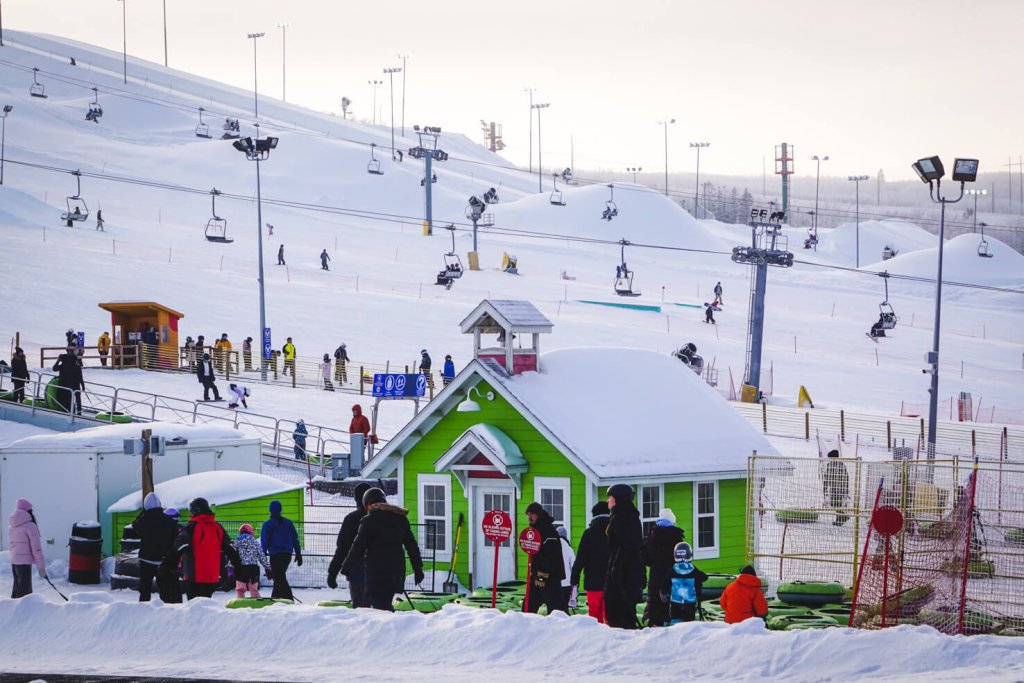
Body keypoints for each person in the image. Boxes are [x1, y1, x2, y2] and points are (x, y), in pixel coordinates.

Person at [340, 487, 424, 611]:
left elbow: (358, 547)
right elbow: (412, 547)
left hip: (376, 572)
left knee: (379, 605)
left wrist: (347, 567)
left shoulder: (369, 521)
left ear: (368, 504)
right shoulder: (400, 519)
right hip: (396, 572)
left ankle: (389, 621)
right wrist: (418, 569)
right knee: (385, 602)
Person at [165, 497, 240, 600]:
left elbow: (179, 546)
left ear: (196, 511)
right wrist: (239, 567)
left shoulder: (192, 527)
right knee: (206, 604)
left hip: (194, 576)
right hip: (212, 576)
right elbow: (230, 549)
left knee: (195, 605)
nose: (190, 514)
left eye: (191, 512)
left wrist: (168, 564)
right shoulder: (217, 527)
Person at [604, 484, 644, 629]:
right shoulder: (629, 517)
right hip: (627, 573)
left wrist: (616, 568)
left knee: (619, 614)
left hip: (623, 574)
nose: (608, 501)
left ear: (618, 499)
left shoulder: (621, 519)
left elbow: (625, 546)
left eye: (610, 498)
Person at [327, 482, 371, 607]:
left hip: (357, 572)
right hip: (381, 573)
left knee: (361, 607)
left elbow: (342, 548)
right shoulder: (386, 518)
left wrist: (333, 572)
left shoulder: (351, 519)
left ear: (356, 499)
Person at [131, 492, 179, 602]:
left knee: (145, 587)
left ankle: (144, 606)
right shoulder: (169, 520)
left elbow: (135, 526)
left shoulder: (143, 520)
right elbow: (174, 539)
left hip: (146, 559)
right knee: (165, 587)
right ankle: (167, 606)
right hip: (164, 560)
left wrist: (143, 512)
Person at [642, 508, 685, 627]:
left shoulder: (651, 537)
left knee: (654, 600)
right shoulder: (676, 537)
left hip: (655, 574)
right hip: (672, 574)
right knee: (670, 601)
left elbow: (645, 558)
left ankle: (654, 623)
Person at [570, 501, 611, 623]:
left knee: (594, 616)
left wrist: (574, 579)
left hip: (593, 582)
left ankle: (596, 634)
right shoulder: (615, 531)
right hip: (612, 582)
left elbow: (580, 559)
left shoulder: (589, 533)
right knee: (610, 616)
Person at [524, 501, 566, 614]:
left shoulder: (548, 531)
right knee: (528, 607)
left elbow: (552, 555)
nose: (529, 517)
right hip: (536, 575)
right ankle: (525, 623)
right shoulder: (535, 531)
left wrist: (542, 574)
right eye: (528, 514)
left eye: (532, 514)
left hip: (550, 577)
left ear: (538, 515)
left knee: (555, 610)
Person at [260, 500, 302, 601]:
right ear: (280, 510)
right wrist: (298, 553)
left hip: (275, 555)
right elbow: (295, 538)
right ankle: (275, 598)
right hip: (287, 555)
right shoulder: (288, 523)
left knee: (279, 578)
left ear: (270, 510)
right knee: (279, 577)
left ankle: (289, 599)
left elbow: (264, 540)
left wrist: (263, 553)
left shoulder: (267, 524)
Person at [8, 498, 46, 598]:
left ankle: (12, 607)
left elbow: (11, 545)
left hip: (14, 562)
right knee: (25, 595)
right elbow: (36, 549)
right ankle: (22, 609)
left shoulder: (12, 526)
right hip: (24, 564)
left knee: (17, 591)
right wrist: (41, 568)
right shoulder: (30, 526)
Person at [663, 542, 708, 624]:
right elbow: (704, 577)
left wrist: (664, 593)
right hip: (690, 603)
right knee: (688, 623)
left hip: (675, 602)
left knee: (675, 621)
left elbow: (665, 583)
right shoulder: (694, 571)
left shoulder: (672, 571)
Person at [232, 524, 272, 599]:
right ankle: (257, 602)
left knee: (240, 589)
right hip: (253, 568)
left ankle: (240, 602)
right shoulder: (255, 542)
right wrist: (267, 567)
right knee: (254, 589)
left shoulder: (237, 541)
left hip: (241, 568)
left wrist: (230, 566)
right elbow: (261, 556)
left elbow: (232, 555)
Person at [52, 345, 84, 414]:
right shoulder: (75, 364)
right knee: (76, 398)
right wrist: (82, 385)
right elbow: (80, 376)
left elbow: (54, 368)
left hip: (69, 384)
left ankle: (72, 411)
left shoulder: (65, 364)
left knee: (71, 398)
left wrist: (58, 361)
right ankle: (78, 412)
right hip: (73, 384)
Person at [823, 449, 850, 526]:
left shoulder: (841, 465)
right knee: (834, 504)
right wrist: (825, 486)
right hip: (833, 488)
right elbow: (827, 477)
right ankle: (843, 517)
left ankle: (840, 519)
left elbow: (845, 477)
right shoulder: (830, 465)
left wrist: (845, 488)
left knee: (837, 504)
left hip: (840, 488)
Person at [557, 527, 576, 611]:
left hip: (554, 583)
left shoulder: (552, 546)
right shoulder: (569, 549)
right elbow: (573, 565)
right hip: (566, 583)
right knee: (564, 608)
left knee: (555, 608)